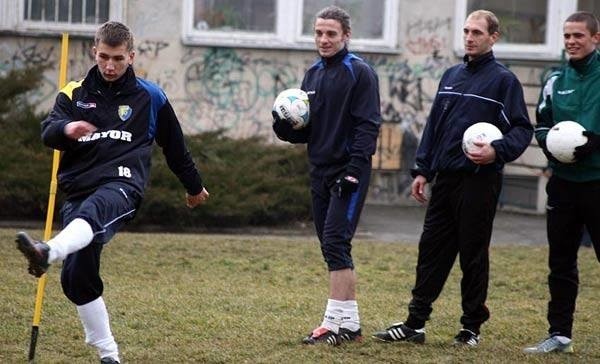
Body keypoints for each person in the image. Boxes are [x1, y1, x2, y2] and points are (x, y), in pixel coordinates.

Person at [15, 21, 209, 364]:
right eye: (104, 57)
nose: (109, 65)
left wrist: (194, 187)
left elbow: (175, 148)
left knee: (97, 210)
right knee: (77, 280)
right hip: (78, 187)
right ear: (95, 52)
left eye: (118, 58)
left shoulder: (150, 97)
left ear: (131, 56)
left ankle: (47, 252)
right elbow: (48, 132)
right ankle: (110, 356)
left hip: (122, 183)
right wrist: (67, 128)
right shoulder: (73, 92)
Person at [372, 10, 532, 347]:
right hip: (444, 179)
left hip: (479, 181)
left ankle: (470, 328)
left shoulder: (503, 81)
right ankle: (415, 324)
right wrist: (422, 170)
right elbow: (434, 128)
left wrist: (496, 150)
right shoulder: (451, 75)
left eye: (477, 32)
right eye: (466, 31)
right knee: (430, 250)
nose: (470, 37)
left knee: (472, 254)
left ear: (493, 37)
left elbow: (521, 129)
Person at [272, 5, 380, 346]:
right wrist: (283, 127)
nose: (324, 39)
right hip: (319, 171)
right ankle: (349, 327)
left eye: (331, 33)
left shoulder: (359, 73)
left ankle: (333, 325)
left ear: (346, 36)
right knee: (331, 246)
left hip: (349, 173)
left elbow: (367, 126)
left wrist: (353, 171)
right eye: (319, 33)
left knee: (336, 242)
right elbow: (309, 131)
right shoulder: (313, 75)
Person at [523, 11, 600, 354]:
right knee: (561, 262)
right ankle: (559, 334)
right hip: (564, 184)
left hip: (598, 182)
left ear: (595, 38)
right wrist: (553, 145)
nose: (571, 41)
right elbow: (541, 125)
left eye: (578, 36)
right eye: (567, 36)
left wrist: (595, 142)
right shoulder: (555, 79)